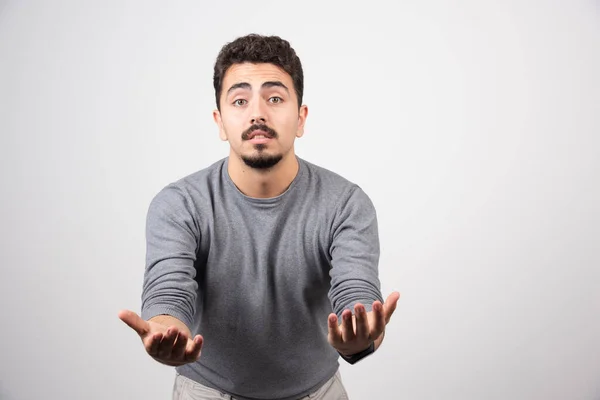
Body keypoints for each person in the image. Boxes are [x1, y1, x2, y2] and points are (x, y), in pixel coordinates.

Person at [118, 33, 400, 400]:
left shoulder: (346, 203)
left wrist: (359, 334)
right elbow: (169, 292)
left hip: (318, 392)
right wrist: (167, 332)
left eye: (275, 98)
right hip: (206, 392)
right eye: (239, 100)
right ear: (219, 121)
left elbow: (356, 292)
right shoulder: (179, 204)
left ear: (301, 118)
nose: (257, 113)